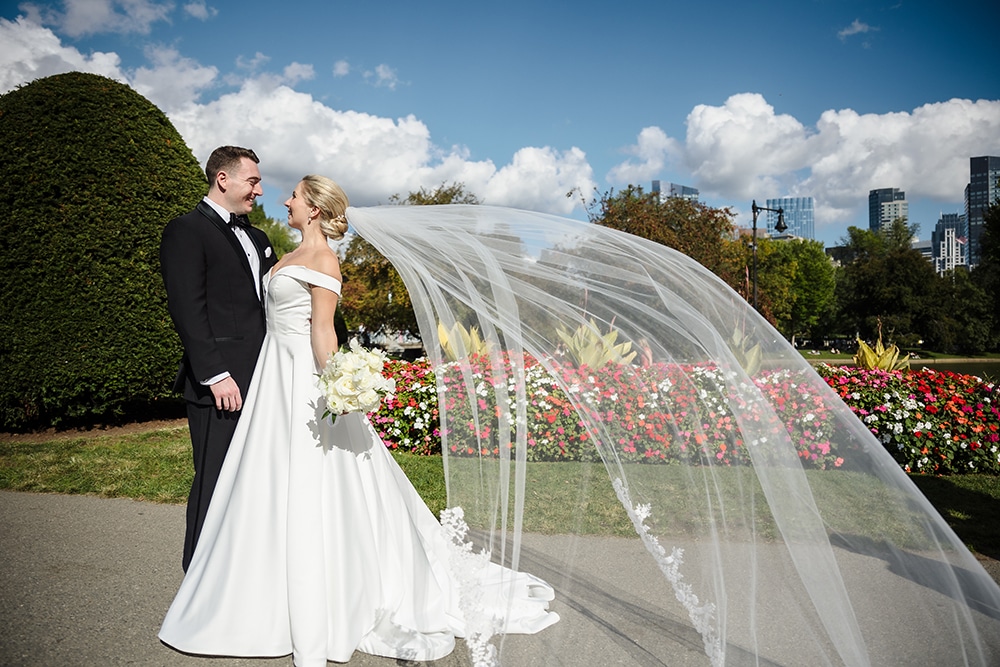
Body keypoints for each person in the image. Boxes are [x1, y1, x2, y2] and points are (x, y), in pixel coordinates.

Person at [159, 176, 559, 666]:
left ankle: (328, 590)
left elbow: (323, 335)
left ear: (314, 208)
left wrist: (342, 386)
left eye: (294, 197)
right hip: (270, 379)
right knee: (264, 482)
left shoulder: (325, 261)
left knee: (313, 485)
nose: (284, 201)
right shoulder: (281, 255)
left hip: (300, 383)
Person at [160, 146, 277, 572]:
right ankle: (199, 580)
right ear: (222, 179)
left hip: (267, 379)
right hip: (221, 386)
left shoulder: (259, 238)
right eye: (253, 181)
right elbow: (187, 310)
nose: (259, 190)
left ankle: (245, 573)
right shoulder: (185, 231)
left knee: (256, 482)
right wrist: (215, 374)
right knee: (214, 482)